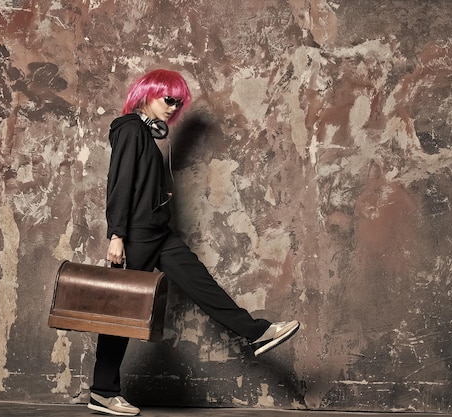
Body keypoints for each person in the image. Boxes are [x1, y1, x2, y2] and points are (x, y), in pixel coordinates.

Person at [88, 69, 300, 416]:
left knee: (202, 285)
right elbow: (120, 182)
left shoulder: (147, 135)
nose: (173, 107)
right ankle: (102, 390)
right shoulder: (130, 130)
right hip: (138, 234)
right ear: (146, 95)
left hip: (159, 232)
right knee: (123, 311)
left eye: (178, 101)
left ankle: (256, 332)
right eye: (167, 99)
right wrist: (117, 235)